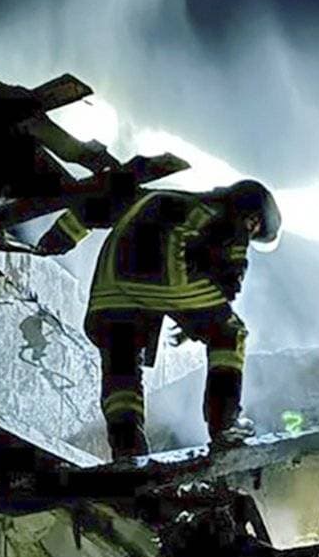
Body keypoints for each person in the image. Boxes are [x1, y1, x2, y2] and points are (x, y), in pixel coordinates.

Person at [35, 179, 281, 460]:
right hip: (166, 276)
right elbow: (230, 280)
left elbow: (91, 210)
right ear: (252, 215)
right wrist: (200, 319)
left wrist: (55, 240)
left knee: (123, 364)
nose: (250, 230)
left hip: (110, 288)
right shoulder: (226, 216)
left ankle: (127, 446)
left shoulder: (153, 197)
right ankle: (225, 425)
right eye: (255, 227)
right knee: (230, 333)